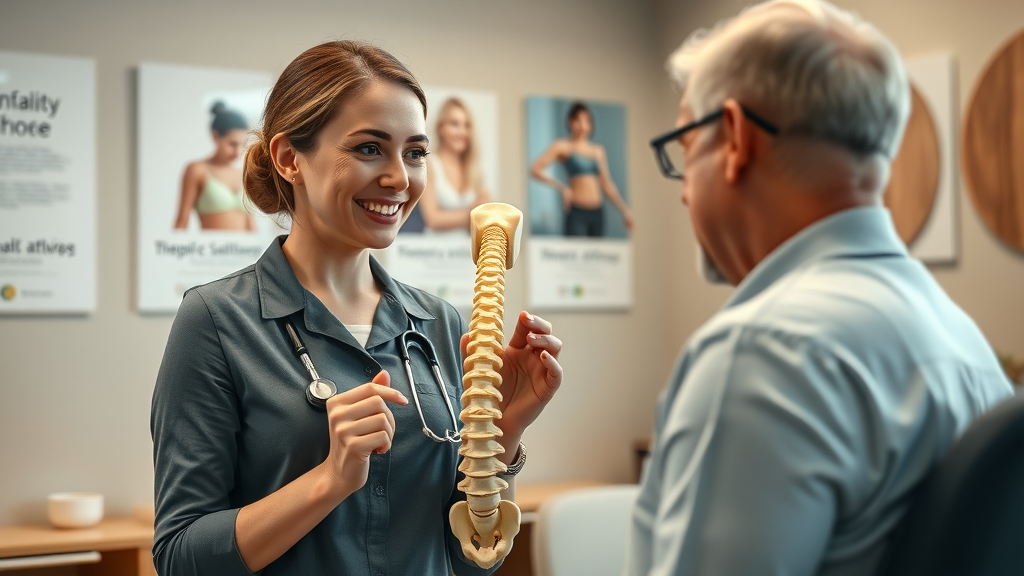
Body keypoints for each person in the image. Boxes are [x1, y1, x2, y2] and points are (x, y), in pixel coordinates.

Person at [629, 1, 1014, 575]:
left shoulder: (764, 352)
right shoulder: (967, 345)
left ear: (734, 138)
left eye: (686, 149)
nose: (684, 193)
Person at [151, 40, 563, 576]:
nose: (399, 178)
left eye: (415, 153)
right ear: (288, 158)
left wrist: (505, 434)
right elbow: (181, 558)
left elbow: (470, 563)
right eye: (370, 148)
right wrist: (330, 479)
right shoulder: (214, 322)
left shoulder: (439, 325)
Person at [530, 102, 634, 237]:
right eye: (578, 120)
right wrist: (562, 188)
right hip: (577, 212)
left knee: (595, 255)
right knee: (575, 255)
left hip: (597, 212)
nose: (582, 126)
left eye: (586, 121)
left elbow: (606, 183)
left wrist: (624, 210)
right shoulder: (563, 146)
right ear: (570, 122)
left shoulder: (598, 151)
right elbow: (535, 169)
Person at [174, 102, 255, 231]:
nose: (238, 151)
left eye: (242, 144)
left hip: (244, 250)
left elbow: (250, 224)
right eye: (232, 144)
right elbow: (182, 221)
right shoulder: (197, 170)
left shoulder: (243, 174)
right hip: (212, 249)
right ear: (216, 136)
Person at [419, 97, 492, 233]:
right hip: (433, 252)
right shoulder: (430, 164)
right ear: (441, 128)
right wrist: (473, 214)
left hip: (468, 250)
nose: (462, 132)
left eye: (466, 125)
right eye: (455, 124)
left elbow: (486, 216)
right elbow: (433, 219)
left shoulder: (475, 169)